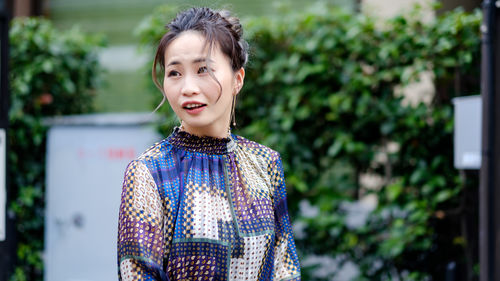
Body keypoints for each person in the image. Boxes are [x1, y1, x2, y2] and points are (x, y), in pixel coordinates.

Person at [117, 7, 301, 281]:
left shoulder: (266, 164)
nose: (188, 87)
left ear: (237, 79)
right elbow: (137, 274)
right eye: (175, 73)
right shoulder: (149, 172)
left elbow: (285, 268)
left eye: (203, 69)